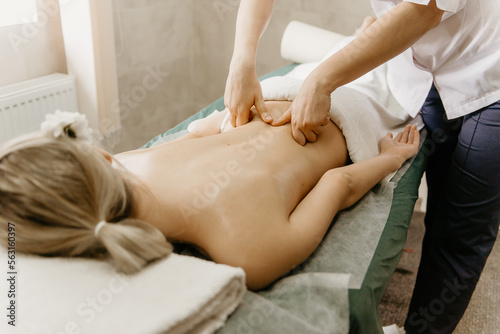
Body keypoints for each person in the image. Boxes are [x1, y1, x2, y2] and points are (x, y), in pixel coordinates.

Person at [224, 0, 500, 332]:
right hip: (426, 69)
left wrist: (321, 81)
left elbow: (425, 10)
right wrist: (241, 61)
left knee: (459, 230)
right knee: (441, 214)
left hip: (490, 69)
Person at [0, 106, 419, 291]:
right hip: (291, 97)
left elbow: (337, 185)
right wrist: (221, 123)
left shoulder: (247, 249)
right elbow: (199, 134)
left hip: (341, 117)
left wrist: (390, 158)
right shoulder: (130, 159)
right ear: (101, 158)